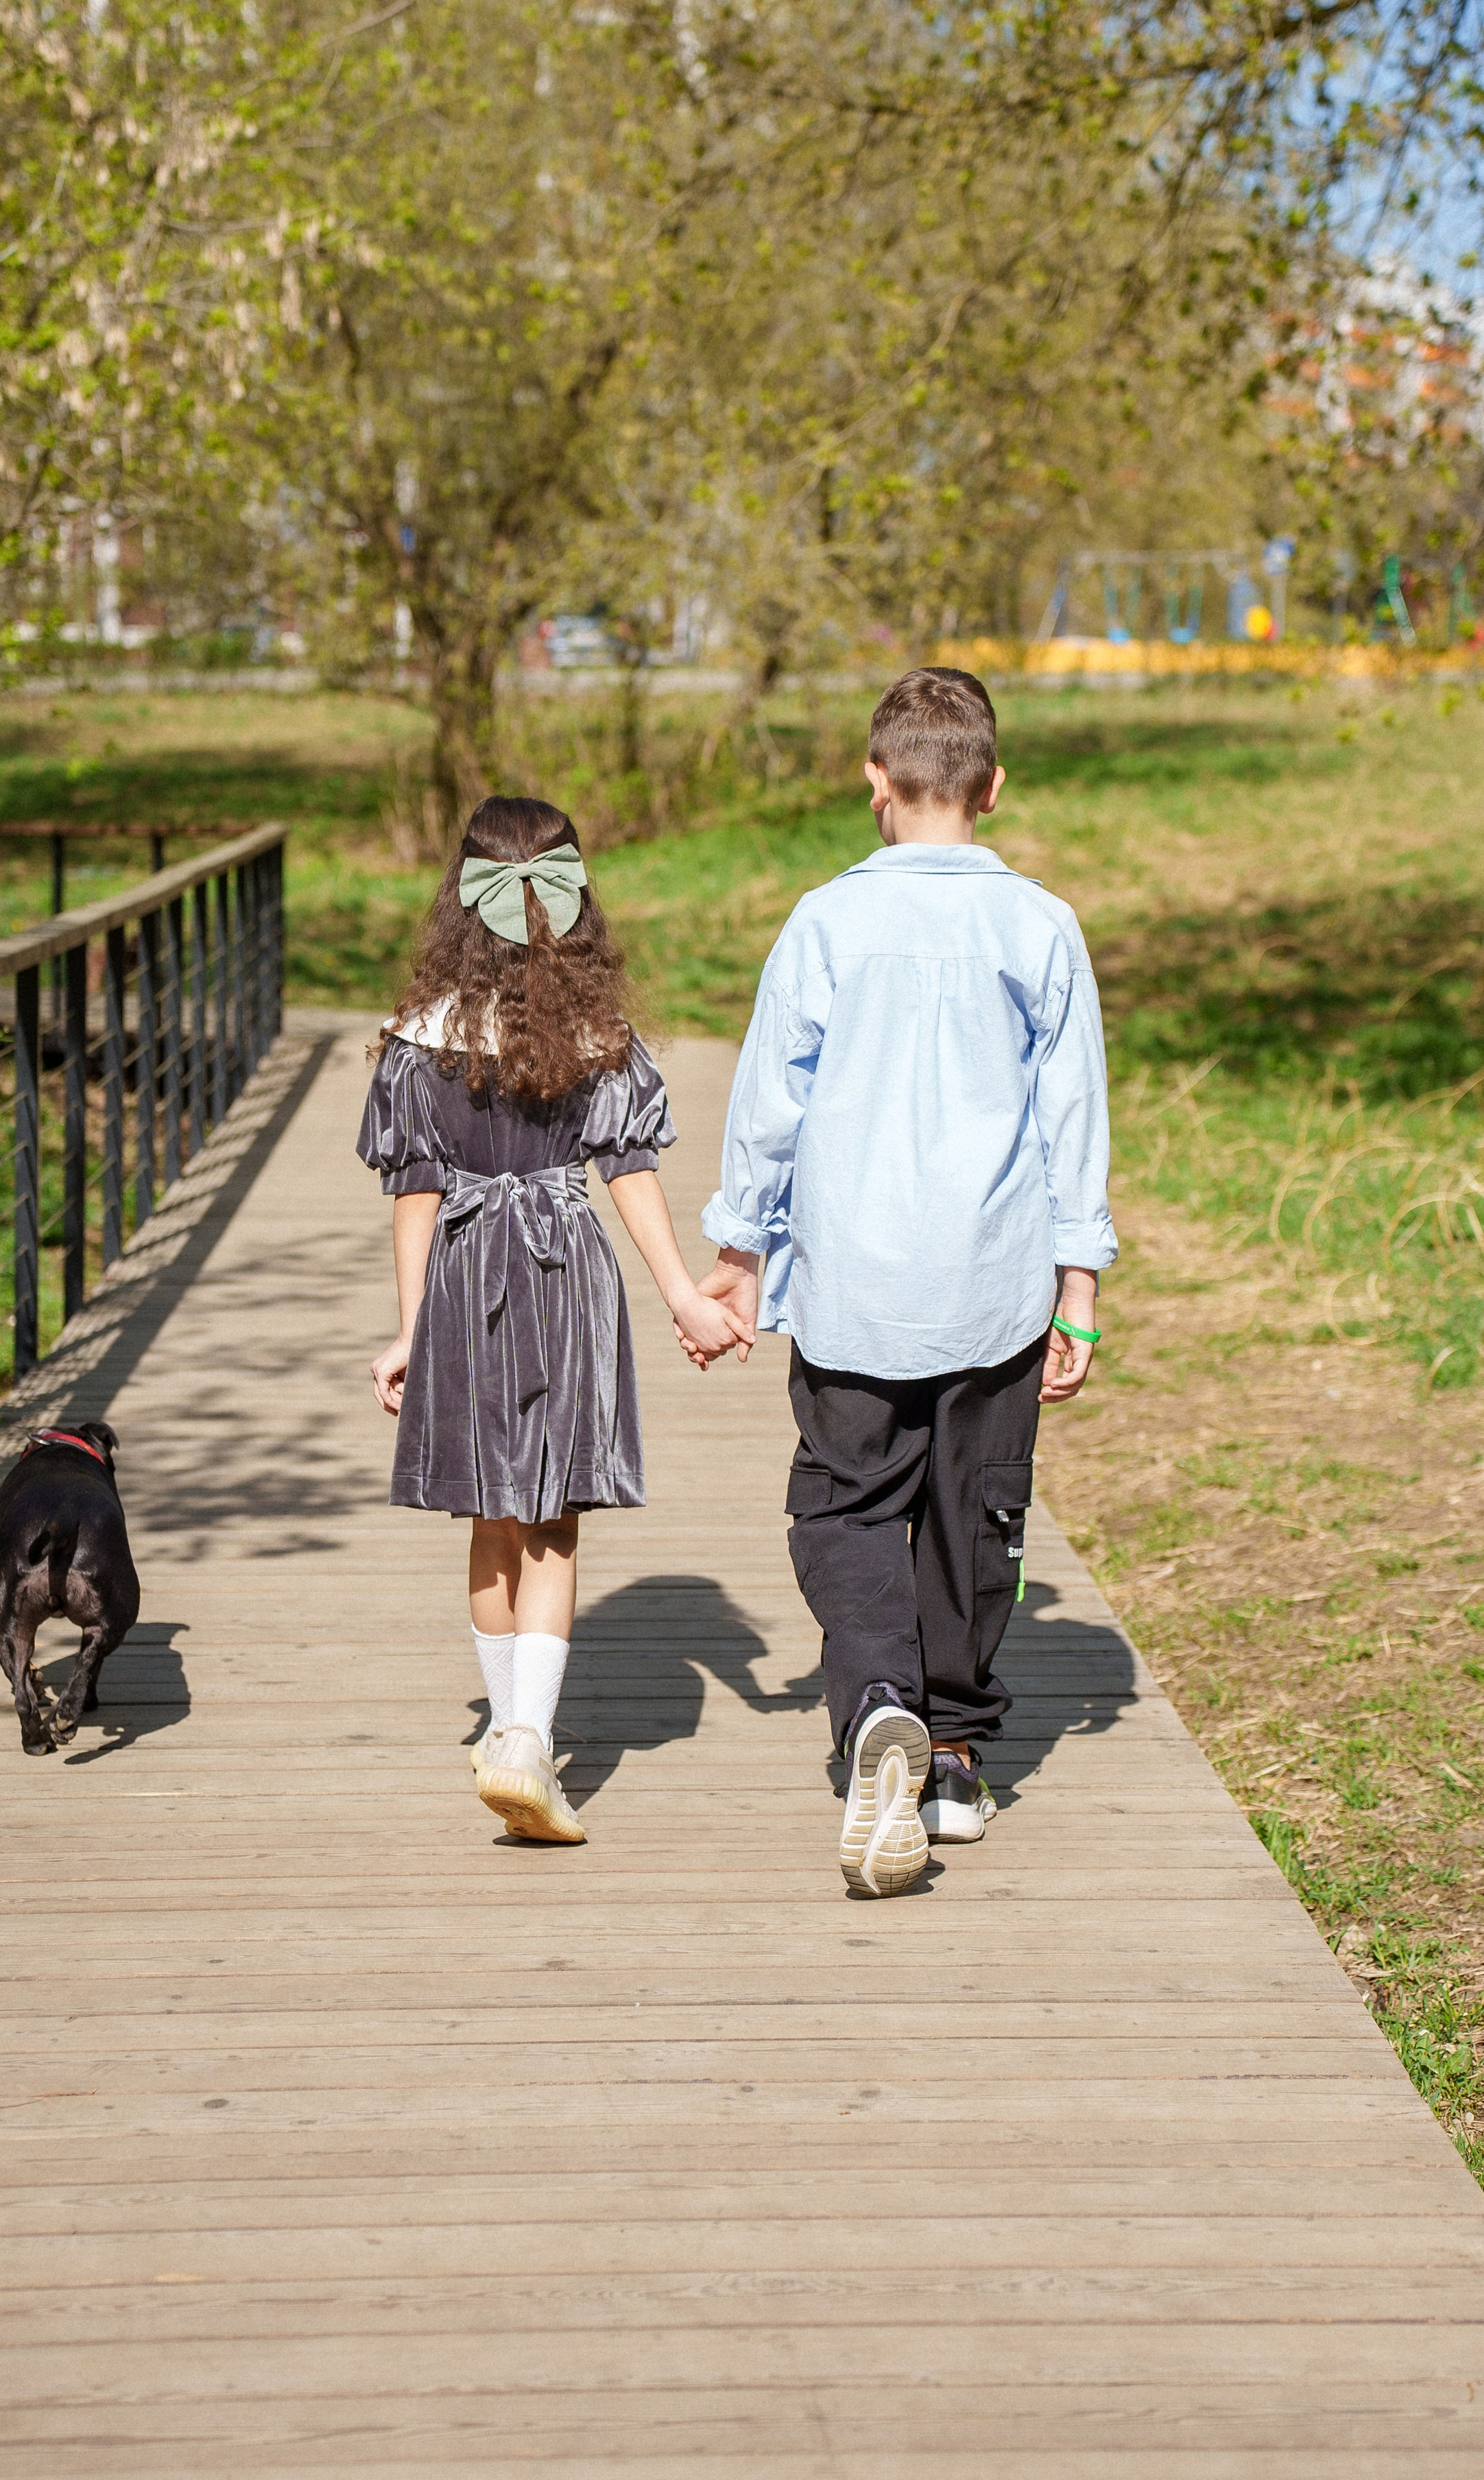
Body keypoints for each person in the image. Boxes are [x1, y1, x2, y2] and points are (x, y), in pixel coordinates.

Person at [684, 667, 1116, 1896]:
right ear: (994, 785)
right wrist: (1076, 1290)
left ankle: (879, 1700)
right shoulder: (1042, 924)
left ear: (875, 782)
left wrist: (738, 1255)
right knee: (979, 1515)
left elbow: (772, 1105)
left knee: (848, 1505)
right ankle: (960, 1753)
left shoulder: (824, 920)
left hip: (856, 1287)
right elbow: (1071, 1118)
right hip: (993, 1284)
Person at [359, 792, 751, 1844]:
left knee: (490, 1514)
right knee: (551, 1517)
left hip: (463, 1271)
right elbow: (625, 1167)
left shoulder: (418, 1041)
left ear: (460, 899)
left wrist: (410, 1327)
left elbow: (414, 1192)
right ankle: (530, 1738)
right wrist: (678, 1291)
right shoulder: (597, 1033)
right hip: (566, 1270)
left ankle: (507, 1727)